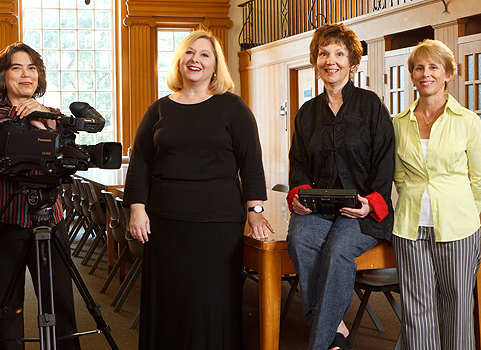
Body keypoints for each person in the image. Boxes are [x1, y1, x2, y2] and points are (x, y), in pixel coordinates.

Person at [123, 30, 273, 350]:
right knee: (169, 301)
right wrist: (137, 208)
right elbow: (140, 163)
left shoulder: (233, 108)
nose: (196, 59)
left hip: (217, 226)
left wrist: (256, 211)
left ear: (216, 66)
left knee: (211, 301)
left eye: (205, 54)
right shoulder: (159, 109)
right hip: (164, 224)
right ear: (179, 61)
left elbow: (251, 163)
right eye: (190, 53)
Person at [285, 23, 394, 350]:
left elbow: (386, 160)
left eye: (338, 53)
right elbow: (299, 161)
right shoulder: (307, 113)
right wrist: (298, 194)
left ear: (352, 62)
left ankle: (324, 344)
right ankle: (337, 331)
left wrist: (370, 203)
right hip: (318, 208)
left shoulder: (371, 106)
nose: (330, 60)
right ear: (315, 60)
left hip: (362, 209)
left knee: (336, 251)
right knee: (300, 240)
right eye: (323, 53)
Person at [0, 42, 80, 350]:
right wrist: (19, 114)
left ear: (39, 76)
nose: (25, 74)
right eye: (16, 68)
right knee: (6, 312)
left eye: (32, 68)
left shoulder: (51, 113)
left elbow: (70, 142)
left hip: (48, 222)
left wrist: (42, 113)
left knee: (60, 306)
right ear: (4, 76)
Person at [391, 39, 481, 350]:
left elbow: (479, 180)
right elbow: (400, 177)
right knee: (417, 309)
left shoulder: (468, 121)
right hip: (409, 227)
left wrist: (469, 214)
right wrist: (416, 201)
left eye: (433, 67)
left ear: (448, 74)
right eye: (419, 67)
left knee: (457, 305)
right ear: (413, 76)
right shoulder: (398, 124)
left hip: (459, 227)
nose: (425, 73)